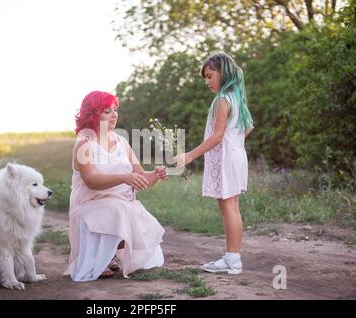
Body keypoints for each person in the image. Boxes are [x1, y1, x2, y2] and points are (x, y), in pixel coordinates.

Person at [64, 90, 168, 282]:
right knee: (118, 209)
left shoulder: (121, 142)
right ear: (93, 114)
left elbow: (139, 176)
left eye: (115, 110)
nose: (114, 115)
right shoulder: (84, 143)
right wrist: (124, 177)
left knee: (130, 209)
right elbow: (91, 181)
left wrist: (155, 174)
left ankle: (113, 254)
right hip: (91, 202)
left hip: (121, 201)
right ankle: (103, 257)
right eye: (107, 111)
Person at [174, 52, 254, 275]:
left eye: (209, 76)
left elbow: (217, 136)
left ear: (223, 73)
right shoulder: (236, 97)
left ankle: (232, 260)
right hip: (237, 157)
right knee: (232, 208)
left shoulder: (222, 100)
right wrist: (234, 142)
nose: (207, 82)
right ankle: (233, 258)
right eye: (205, 78)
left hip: (227, 159)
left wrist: (190, 155)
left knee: (228, 208)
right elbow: (247, 128)